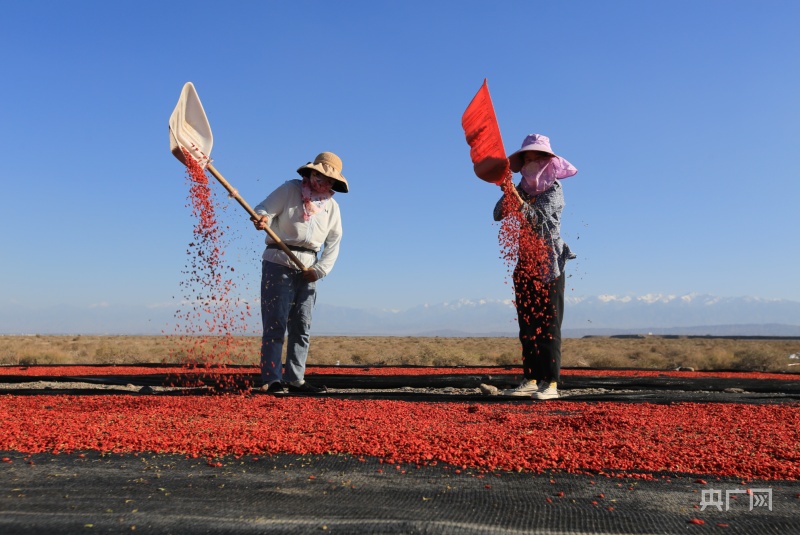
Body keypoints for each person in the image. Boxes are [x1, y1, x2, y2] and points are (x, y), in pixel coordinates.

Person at [251, 152, 348, 394]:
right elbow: (264, 208)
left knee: (301, 326)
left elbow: (334, 242)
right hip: (278, 262)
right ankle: (272, 379)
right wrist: (262, 218)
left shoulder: (331, 207)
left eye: (329, 180)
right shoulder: (290, 190)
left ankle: (296, 379)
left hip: (308, 269)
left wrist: (320, 270)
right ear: (311, 172)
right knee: (275, 323)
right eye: (320, 176)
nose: (323, 182)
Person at [493, 134, 577, 400]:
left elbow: (537, 220)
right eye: (526, 160)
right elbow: (498, 214)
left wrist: (515, 196)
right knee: (527, 324)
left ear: (547, 161)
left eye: (534, 160)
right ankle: (530, 378)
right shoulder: (522, 189)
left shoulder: (554, 191)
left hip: (549, 264)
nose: (530, 165)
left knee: (548, 324)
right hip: (526, 262)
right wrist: (508, 190)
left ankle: (550, 383)